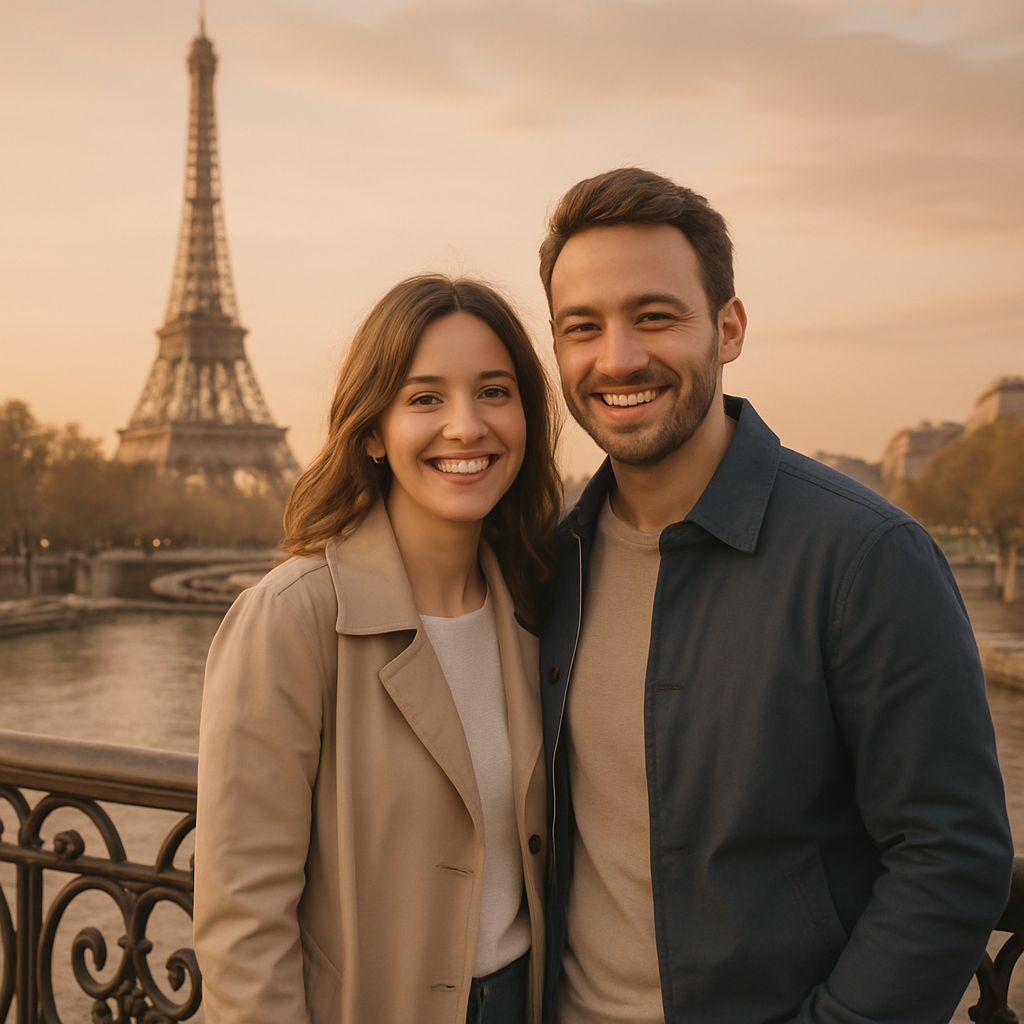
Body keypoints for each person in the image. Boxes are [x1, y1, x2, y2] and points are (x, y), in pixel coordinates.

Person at [536, 168, 1013, 1024]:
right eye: (584, 328)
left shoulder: (867, 557)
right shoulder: (550, 558)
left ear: (729, 328)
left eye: (654, 315)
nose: (618, 358)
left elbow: (953, 855)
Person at [193, 274, 562, 1024]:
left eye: (494, 392)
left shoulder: (537, 606)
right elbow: (243, 920)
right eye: (425, 398)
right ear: (371, 431)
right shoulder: (291, 619)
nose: (466, 426)